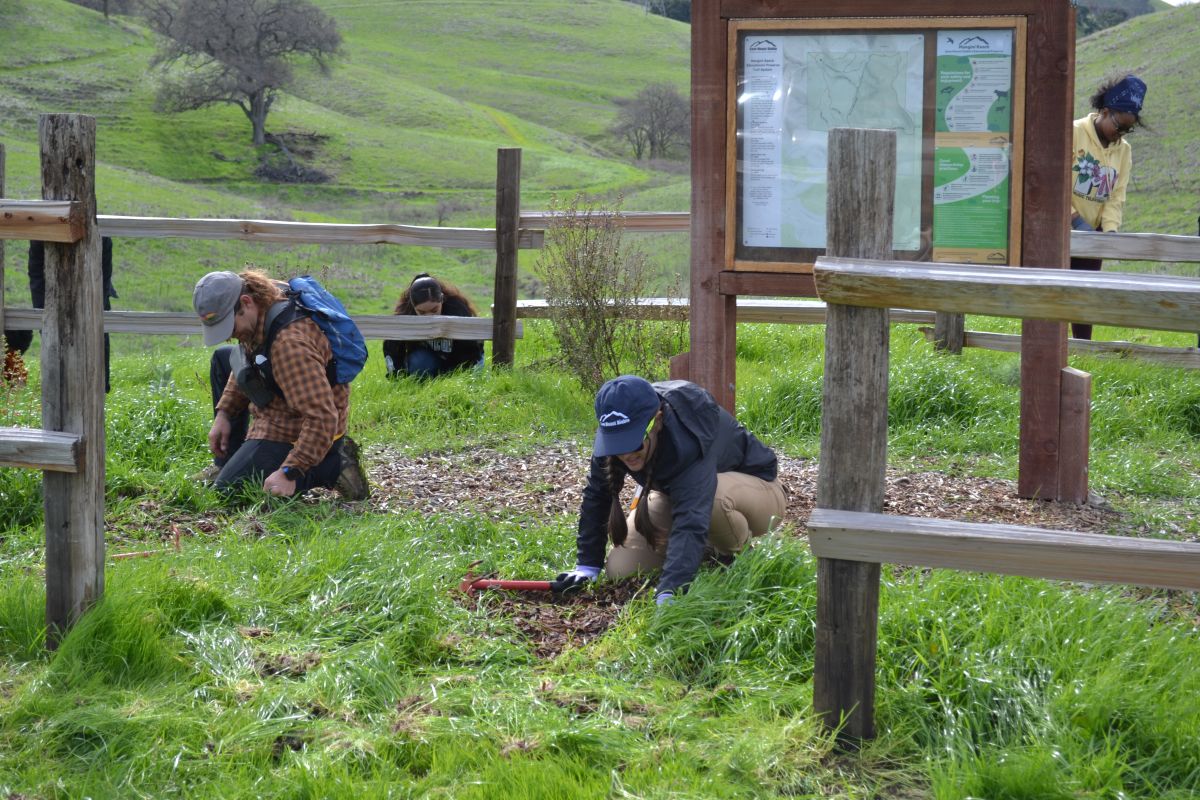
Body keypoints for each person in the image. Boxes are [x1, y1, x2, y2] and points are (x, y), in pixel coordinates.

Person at [551, 375, 787, 605]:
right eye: (618, 443)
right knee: (622, 568)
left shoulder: (689, 434)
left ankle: (741, 556)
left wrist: (670, 590)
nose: (626, 454)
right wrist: (587, 566)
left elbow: (692, 517)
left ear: (658, 420)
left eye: (634, 441)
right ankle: (703, 549)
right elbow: (597, 495)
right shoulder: (613, 431)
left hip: (757, 491)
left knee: (714, 502)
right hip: (678, 494)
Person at [191, 269, 369, 500]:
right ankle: (228, 462)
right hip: (281, 400)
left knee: (229, 492)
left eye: (230, 327)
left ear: (245, 302)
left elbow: (323, 418)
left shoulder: (289, 345)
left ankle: (332, 464)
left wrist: (290, 472)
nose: (229, 336)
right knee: (223, 358)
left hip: (299, 427)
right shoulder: (262, 306)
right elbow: (246, 360)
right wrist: (224, 414)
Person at [1069, 73, 1146, 340]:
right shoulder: (1074, 132)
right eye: (1119, 126)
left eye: (1128, 130)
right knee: (1058, 293)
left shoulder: (1123, 151)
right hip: (1061, 230)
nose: (1121, 135)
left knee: (1086, 294)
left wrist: (1109, 232)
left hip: (1094, 233)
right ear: (1104, 112)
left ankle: (1081, 348)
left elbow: (1116, 194)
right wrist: (1074, 220)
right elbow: (1053, 183)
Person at [3, 237, 116, 390]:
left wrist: (97, 303)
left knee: (95, 327)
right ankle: (57, 383)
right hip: (48, 268)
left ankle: (99, 385)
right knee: (52, 332)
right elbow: (37, 273)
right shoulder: (40, 231)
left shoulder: (98, 236)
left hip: (90, 262)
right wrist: (43, 313)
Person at [382, 273, 484, 378]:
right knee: (419, 363)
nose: (429, 317)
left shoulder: (457, 308)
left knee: (470, 374)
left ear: (442, 300)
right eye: (421, 312)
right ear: (413, 307)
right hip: (428, 360)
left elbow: (471, 349)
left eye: (434, 310)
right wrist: (397, 377)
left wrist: (455, 375)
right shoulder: (405, 314)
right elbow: (392, 347)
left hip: (462, 356)